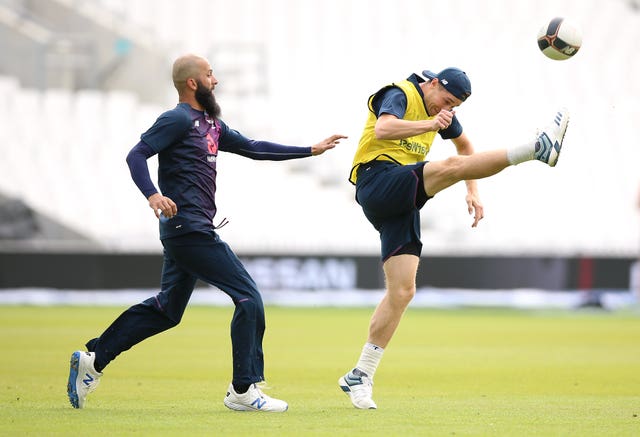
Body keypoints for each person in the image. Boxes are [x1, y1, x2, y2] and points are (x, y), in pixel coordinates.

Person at [66, 53, 346, 412]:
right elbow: (136, 155)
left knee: (168, 310)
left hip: (188, 229)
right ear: (192, 83)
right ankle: (243, 391)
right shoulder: (177, 119)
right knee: (248, 298)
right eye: (210, 75)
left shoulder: (212, 124)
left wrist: (310, 149)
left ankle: (94, 360)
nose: (216, 81)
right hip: (189, 229)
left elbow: (254, 148)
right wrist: (153, 194)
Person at [338, 67, 569, 409]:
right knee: (446, 167)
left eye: (454, 106)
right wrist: (430, 124)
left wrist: (472, 192)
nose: (445, 110)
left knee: (403, 291)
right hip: (376, 180)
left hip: (399, 201)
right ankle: (535, 148)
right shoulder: (400, 94)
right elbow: (385, 128)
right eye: (445, 101)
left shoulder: (443, 113)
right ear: (432, 84)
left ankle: (361, 373)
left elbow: (466, 146)